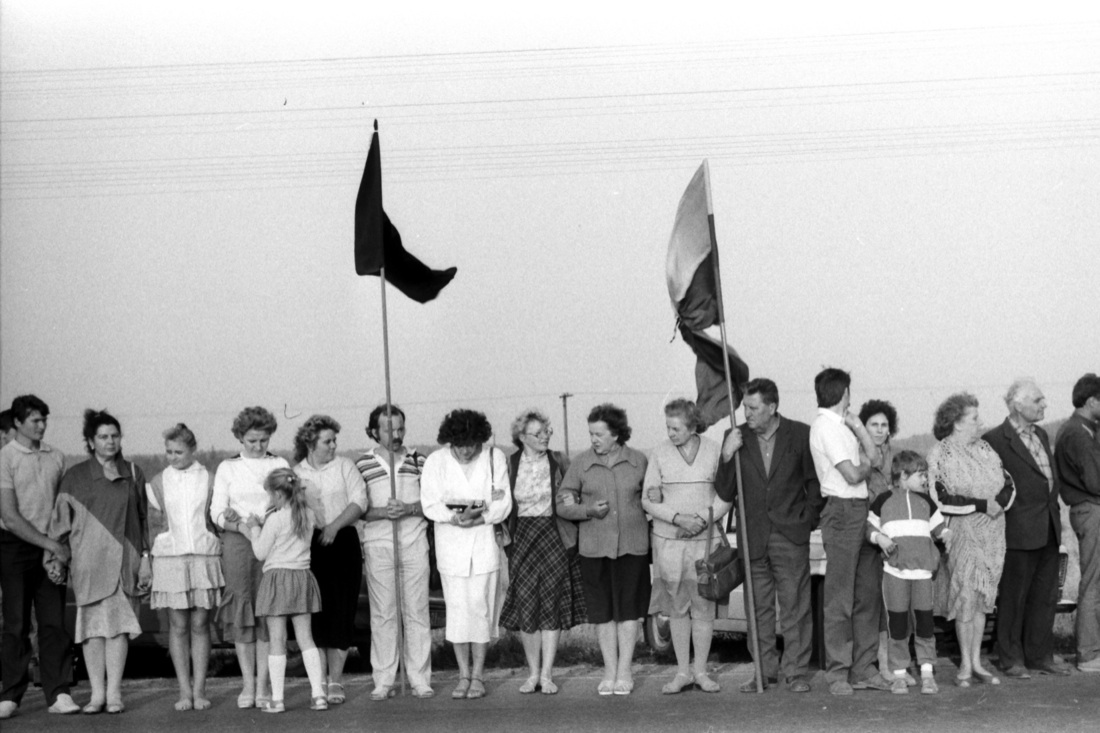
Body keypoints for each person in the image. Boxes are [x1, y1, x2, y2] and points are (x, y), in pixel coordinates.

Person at [716, 378, 822, 693]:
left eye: (753, 407)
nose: (745, 413)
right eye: (744, 406)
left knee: (795, 608)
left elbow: (815, 483)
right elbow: (724, 491)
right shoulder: (734, 437)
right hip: (753, 537)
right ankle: (764, 672)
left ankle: (796, 673)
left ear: (772, 407)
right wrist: (726, 456)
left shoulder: (801, 434)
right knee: (757, 608)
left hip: (791, 535)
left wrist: (808, 520)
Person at [46, 409, 150, 714]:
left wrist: (145, 559)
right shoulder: (75, 477)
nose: (110, 442)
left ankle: (115, 694)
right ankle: (97, 695)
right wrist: (54, 560)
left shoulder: (133, 472)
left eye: (115, 436)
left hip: (124, 563)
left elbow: (143, 522)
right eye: (103, 437)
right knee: (92, 631)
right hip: (88, 563)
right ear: (91, 441)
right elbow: (59, 525)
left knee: (118, 630)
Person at [557, 404, 649, 696]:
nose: (594, 439)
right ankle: (609, 671)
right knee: (603, 613)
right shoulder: (580, 463)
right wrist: (586, 510)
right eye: (591, 434)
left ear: (616, 434)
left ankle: (625, 671)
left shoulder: (639, 461)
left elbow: (652, 497)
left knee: (630, 612)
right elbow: (562, 503)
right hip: (594, 550)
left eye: (599, 434)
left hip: (632, 548)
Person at [421, 409, 512, 700]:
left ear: (480, 440)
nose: (466, 450)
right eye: (459, 445)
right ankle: (462, 674)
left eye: (472, 444)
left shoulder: (494, 457)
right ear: (449, 441)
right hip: (450, 545)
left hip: (484, 544)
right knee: (458, 611)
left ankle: (478, 675)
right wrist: (455, 518)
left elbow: (503, 502)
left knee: (480, 607)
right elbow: (430, 504)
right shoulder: (436, 461)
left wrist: (482, 518)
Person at [808, 368, 889, 695]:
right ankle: (838, 673)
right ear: (844, 393)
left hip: (859, 510)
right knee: (840, 597)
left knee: (866, 594)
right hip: (841, 510)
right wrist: (867, 458)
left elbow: (876, 458)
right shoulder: (824, 426)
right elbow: (856, 473)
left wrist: (858, 426)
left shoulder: (844, 426)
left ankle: (864, 669)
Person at [642, 399, 730, 694]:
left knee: (703, 607)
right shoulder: (659, 453)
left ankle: (702, 672)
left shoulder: (715, 450)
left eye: (676, 428)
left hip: (706, 542)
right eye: (668, 427)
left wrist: (703, 520)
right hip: (670, 543)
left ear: (693, 427)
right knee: (677, 607)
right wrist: (678, 518)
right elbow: (648, 499)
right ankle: (682, 673)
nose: (671, 433)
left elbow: (726, 495)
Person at [984, 379, 1071, 677]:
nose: (1044, 404)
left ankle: (1039, 656)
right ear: (1017, 405)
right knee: (1014, 597)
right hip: (1017, 530)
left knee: (1045, 596)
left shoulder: (1042, 434)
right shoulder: (995, 440)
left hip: (1048, 525)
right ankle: (1010, 658)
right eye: (1038, 400)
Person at [927, 392, 1014, 686]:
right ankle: (965, 663)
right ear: (956, 423)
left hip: (993, 533)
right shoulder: (941, 454)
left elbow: (1008, 484)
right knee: (965, 595)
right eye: (974, 418)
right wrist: (981, 505)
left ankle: (977, 661)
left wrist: (999, 503)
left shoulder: (987, 449)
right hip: (964, 534)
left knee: (983, 598)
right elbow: (939, 498)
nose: (980, 422)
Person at [0, 395, 78, 718]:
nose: (41, 425)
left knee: (53, 623)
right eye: (34, 420)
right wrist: (50, 545)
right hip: (14, 546)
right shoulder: (4, 458)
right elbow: (10, 515)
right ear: (17, 423)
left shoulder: (57, 457)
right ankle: (10, 695)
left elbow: (64, 510)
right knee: (16, 621)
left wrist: (57, 551)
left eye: (44, 419)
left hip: (52, 549)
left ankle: (58, 692)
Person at [500, 408, 585, 695]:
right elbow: (500, 502)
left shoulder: (559, 460)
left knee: (551, 602)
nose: (545, 437)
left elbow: (573, 496)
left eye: (547, 431)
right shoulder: (509, 463)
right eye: (538, 433)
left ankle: (547, 674)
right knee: (527, 604)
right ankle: (532, 673)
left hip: (553, 535)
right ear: (522, 437)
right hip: (522, 537)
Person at [209, 406, 288, 709]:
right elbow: (216, 512)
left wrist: (266, 521)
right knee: (242, 610)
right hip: (239, 544)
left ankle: (264, 685)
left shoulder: (279, 463)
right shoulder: (227, 467)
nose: (258, 447)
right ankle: (247, 685)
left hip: (272, 542)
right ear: (240, 438)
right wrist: (239, 523)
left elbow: (288, 503)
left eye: (263, 441)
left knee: (268, 612)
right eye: (252, 441)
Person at [356, 404, 434, 699]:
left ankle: (419, 678)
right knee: (383, 615)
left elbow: (433, 502)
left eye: (401, 428)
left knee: (416, 612)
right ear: (375, 431)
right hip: (378, 546)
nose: (397, 435)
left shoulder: (420, 460)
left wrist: (409, 508)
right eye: (389, 430)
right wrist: (380, 512)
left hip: (414, 543)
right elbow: (358, 509)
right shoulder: (361, 464)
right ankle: (385, 678)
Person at [146, 423, 223, 711]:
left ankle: (200, 690)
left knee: (201, 625)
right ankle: (184, 692)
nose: (173, 457)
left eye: (179, 451)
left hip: (203, 557)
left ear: (193, 450)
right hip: (171, 559)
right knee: (177, 627)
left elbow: (216, 518)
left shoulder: (210, 479)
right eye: (168, 452)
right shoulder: (157, 482)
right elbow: (152, 523)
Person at [292, 415, 367, 705]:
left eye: (335, 440)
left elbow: (359, 501)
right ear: (310, 443)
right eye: (327, 441)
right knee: (318, 615)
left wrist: (334, 527)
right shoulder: (297, 472)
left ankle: (336, 681)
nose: (334, 445)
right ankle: (319, 682)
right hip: (311, 547)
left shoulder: (345, 466)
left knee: (342, 612)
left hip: (343, 541)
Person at [867, 450, 951, 695]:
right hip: (895, 574)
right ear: (903, 475)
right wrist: (879, 537)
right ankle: (899, 675)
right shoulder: (882, 500)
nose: (925, 480)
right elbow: (869, 527)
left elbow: (939, 528)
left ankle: (927, 674)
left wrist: (947, 534)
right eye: (920, 475)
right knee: (898, 626)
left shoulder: (927, 502)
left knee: (925, 625)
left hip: (924, 575)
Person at [243, 468, 326, 713]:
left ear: (278, 494)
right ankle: (318, 694)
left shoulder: (276, 519)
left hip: (277, 579)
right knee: (306, 639)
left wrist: (254, 528)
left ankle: (277, 699)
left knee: (277, 640)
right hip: (302, 578)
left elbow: (259, 552)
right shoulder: (308, 516)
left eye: (271, 494)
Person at [858, 399, 912, 686]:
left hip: (900, 536)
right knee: (877, 606)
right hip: (870, 538)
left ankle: (899, 663)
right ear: (864, 427)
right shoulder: (860, 456)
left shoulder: (898, 457)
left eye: (884, 425)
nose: (879, 431)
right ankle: (880, 664)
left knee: (901, 604)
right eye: (873, 425)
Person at [1055, 373, 1100, 673]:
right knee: (1093, 581)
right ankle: (1088, 653)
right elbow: (1095, 480)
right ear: (1092, 401)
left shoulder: (1081, 429)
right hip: (1091, 509)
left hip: (1087, 508)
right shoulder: (1078, 434)